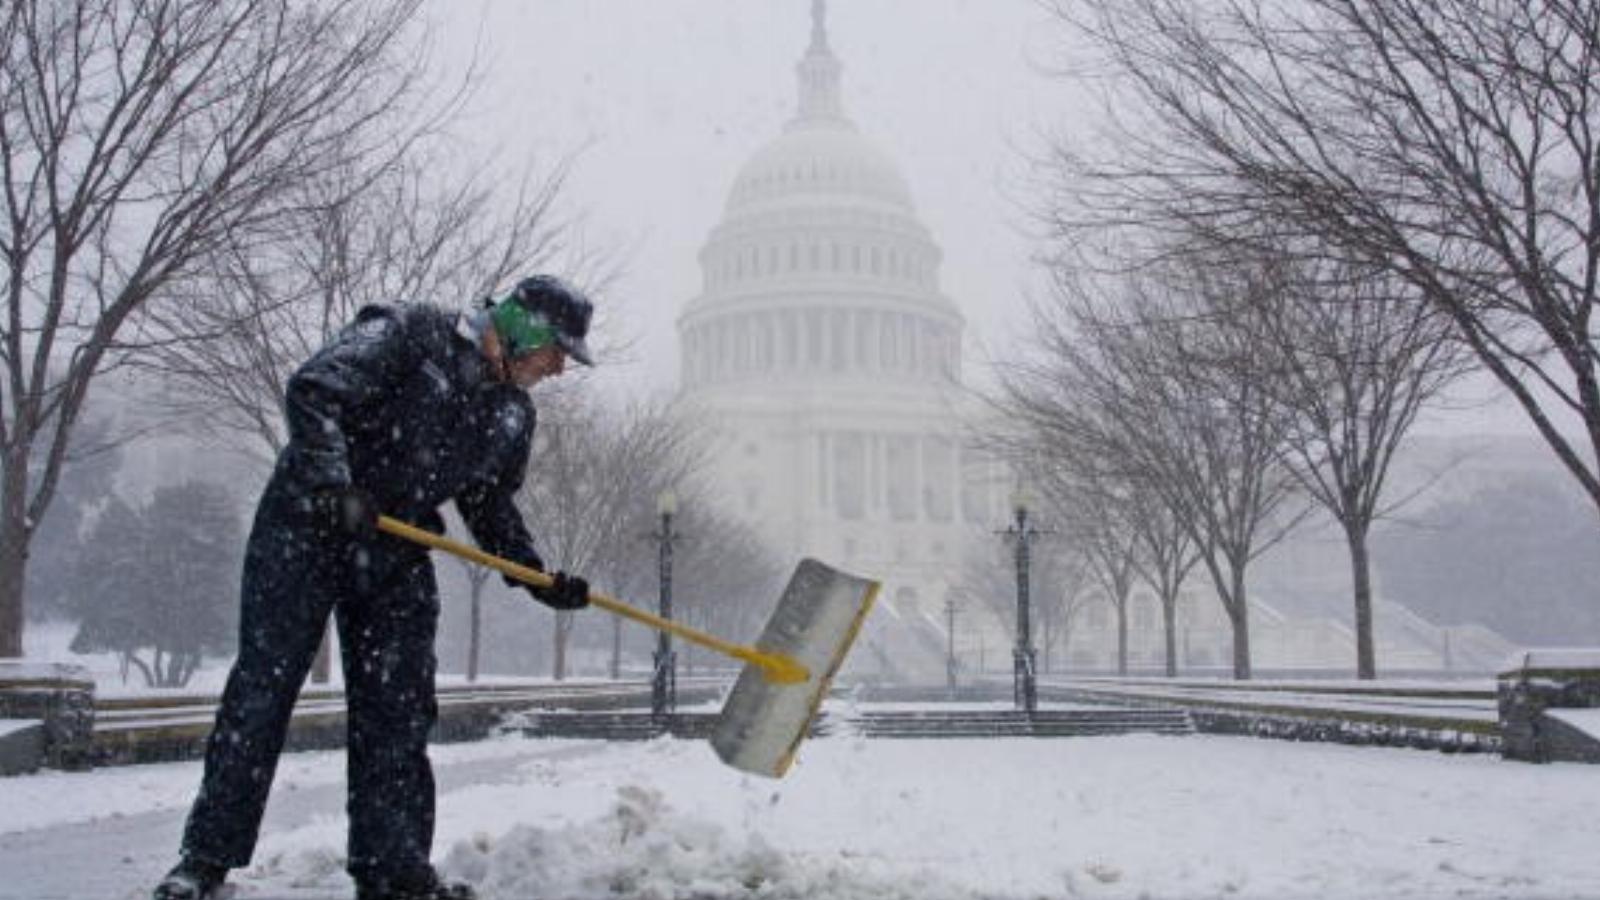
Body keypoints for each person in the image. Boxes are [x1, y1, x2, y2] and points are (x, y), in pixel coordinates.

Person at [153, 276, 597, 900]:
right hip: (306, 528)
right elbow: (316, 390)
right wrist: (334, 485)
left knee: (399, 707)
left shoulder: (511, 414)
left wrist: (535, 577)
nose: (558, 368)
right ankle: (204, 860)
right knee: (264, 690)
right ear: (524, 327)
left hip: (396, 546)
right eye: (557, 350)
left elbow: (489, 504)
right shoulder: (409, 331)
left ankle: (392, 868)